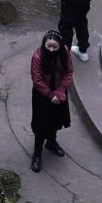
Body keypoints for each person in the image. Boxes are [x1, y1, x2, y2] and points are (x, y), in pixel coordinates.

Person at [28, 29, 73, 172]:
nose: (52, 49)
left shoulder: (65, 52)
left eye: (55, 47)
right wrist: (50, 95)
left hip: (59, 92)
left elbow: (68, 72)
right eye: (49, 46)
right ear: (44, 44)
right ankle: (37, 154)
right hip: (42, 95)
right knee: (41, 125)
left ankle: (51, 142)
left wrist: (60, 92)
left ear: (60, 46)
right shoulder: (37, 56)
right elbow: (37, 80)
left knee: (56, 120)